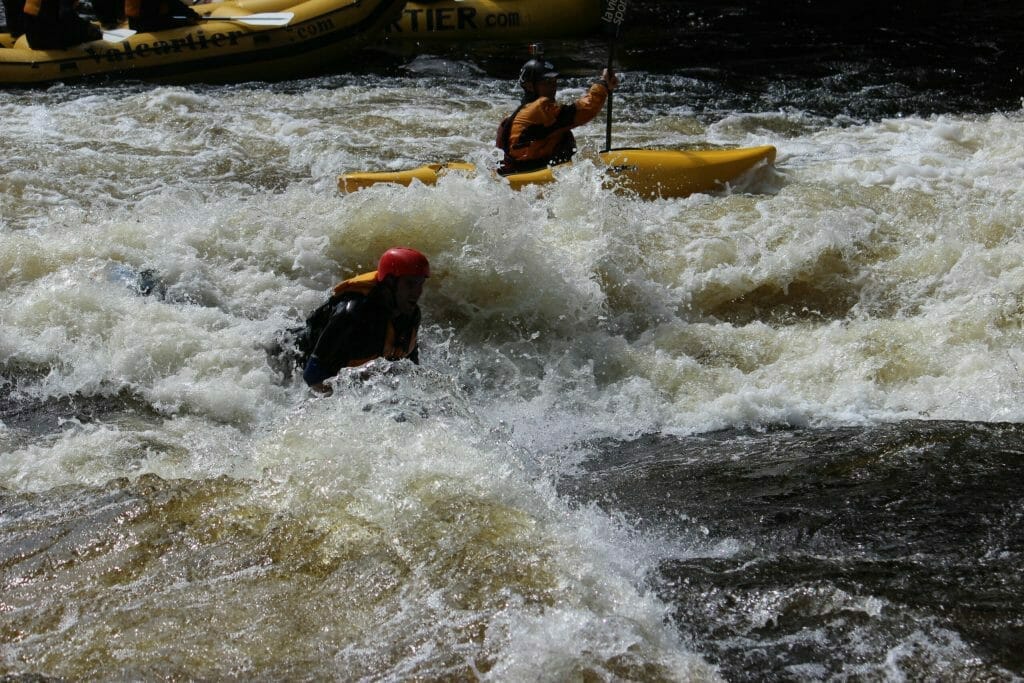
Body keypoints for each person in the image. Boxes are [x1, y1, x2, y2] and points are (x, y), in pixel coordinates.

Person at [268, 247, 430, 393]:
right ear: (389, 282)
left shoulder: (410, 315)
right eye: (410, 284)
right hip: (287, 358)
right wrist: (355, 390)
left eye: (420, 284)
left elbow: (410, 371)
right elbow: (312, 379)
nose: (418, 292)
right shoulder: (352, 314)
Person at [496, 58, 619, 175]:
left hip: (523, 172)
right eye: (547, 82)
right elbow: (583, 111)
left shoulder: (516, 115)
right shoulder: (540, 109)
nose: (554, 86)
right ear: (529, 86)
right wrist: (603, 84)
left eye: (555, 81)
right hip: (537, 174)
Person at [21, 0, 102, 49]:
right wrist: (87, 27)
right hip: (45, 38)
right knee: (95, 34)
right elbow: (66, 14)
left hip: (32, 35)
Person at [125, 0, 198, 33]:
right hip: (143, 25)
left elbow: (174, 4)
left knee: (187, 17)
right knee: (187, 20)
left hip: (147, 20)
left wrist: (191, 14)